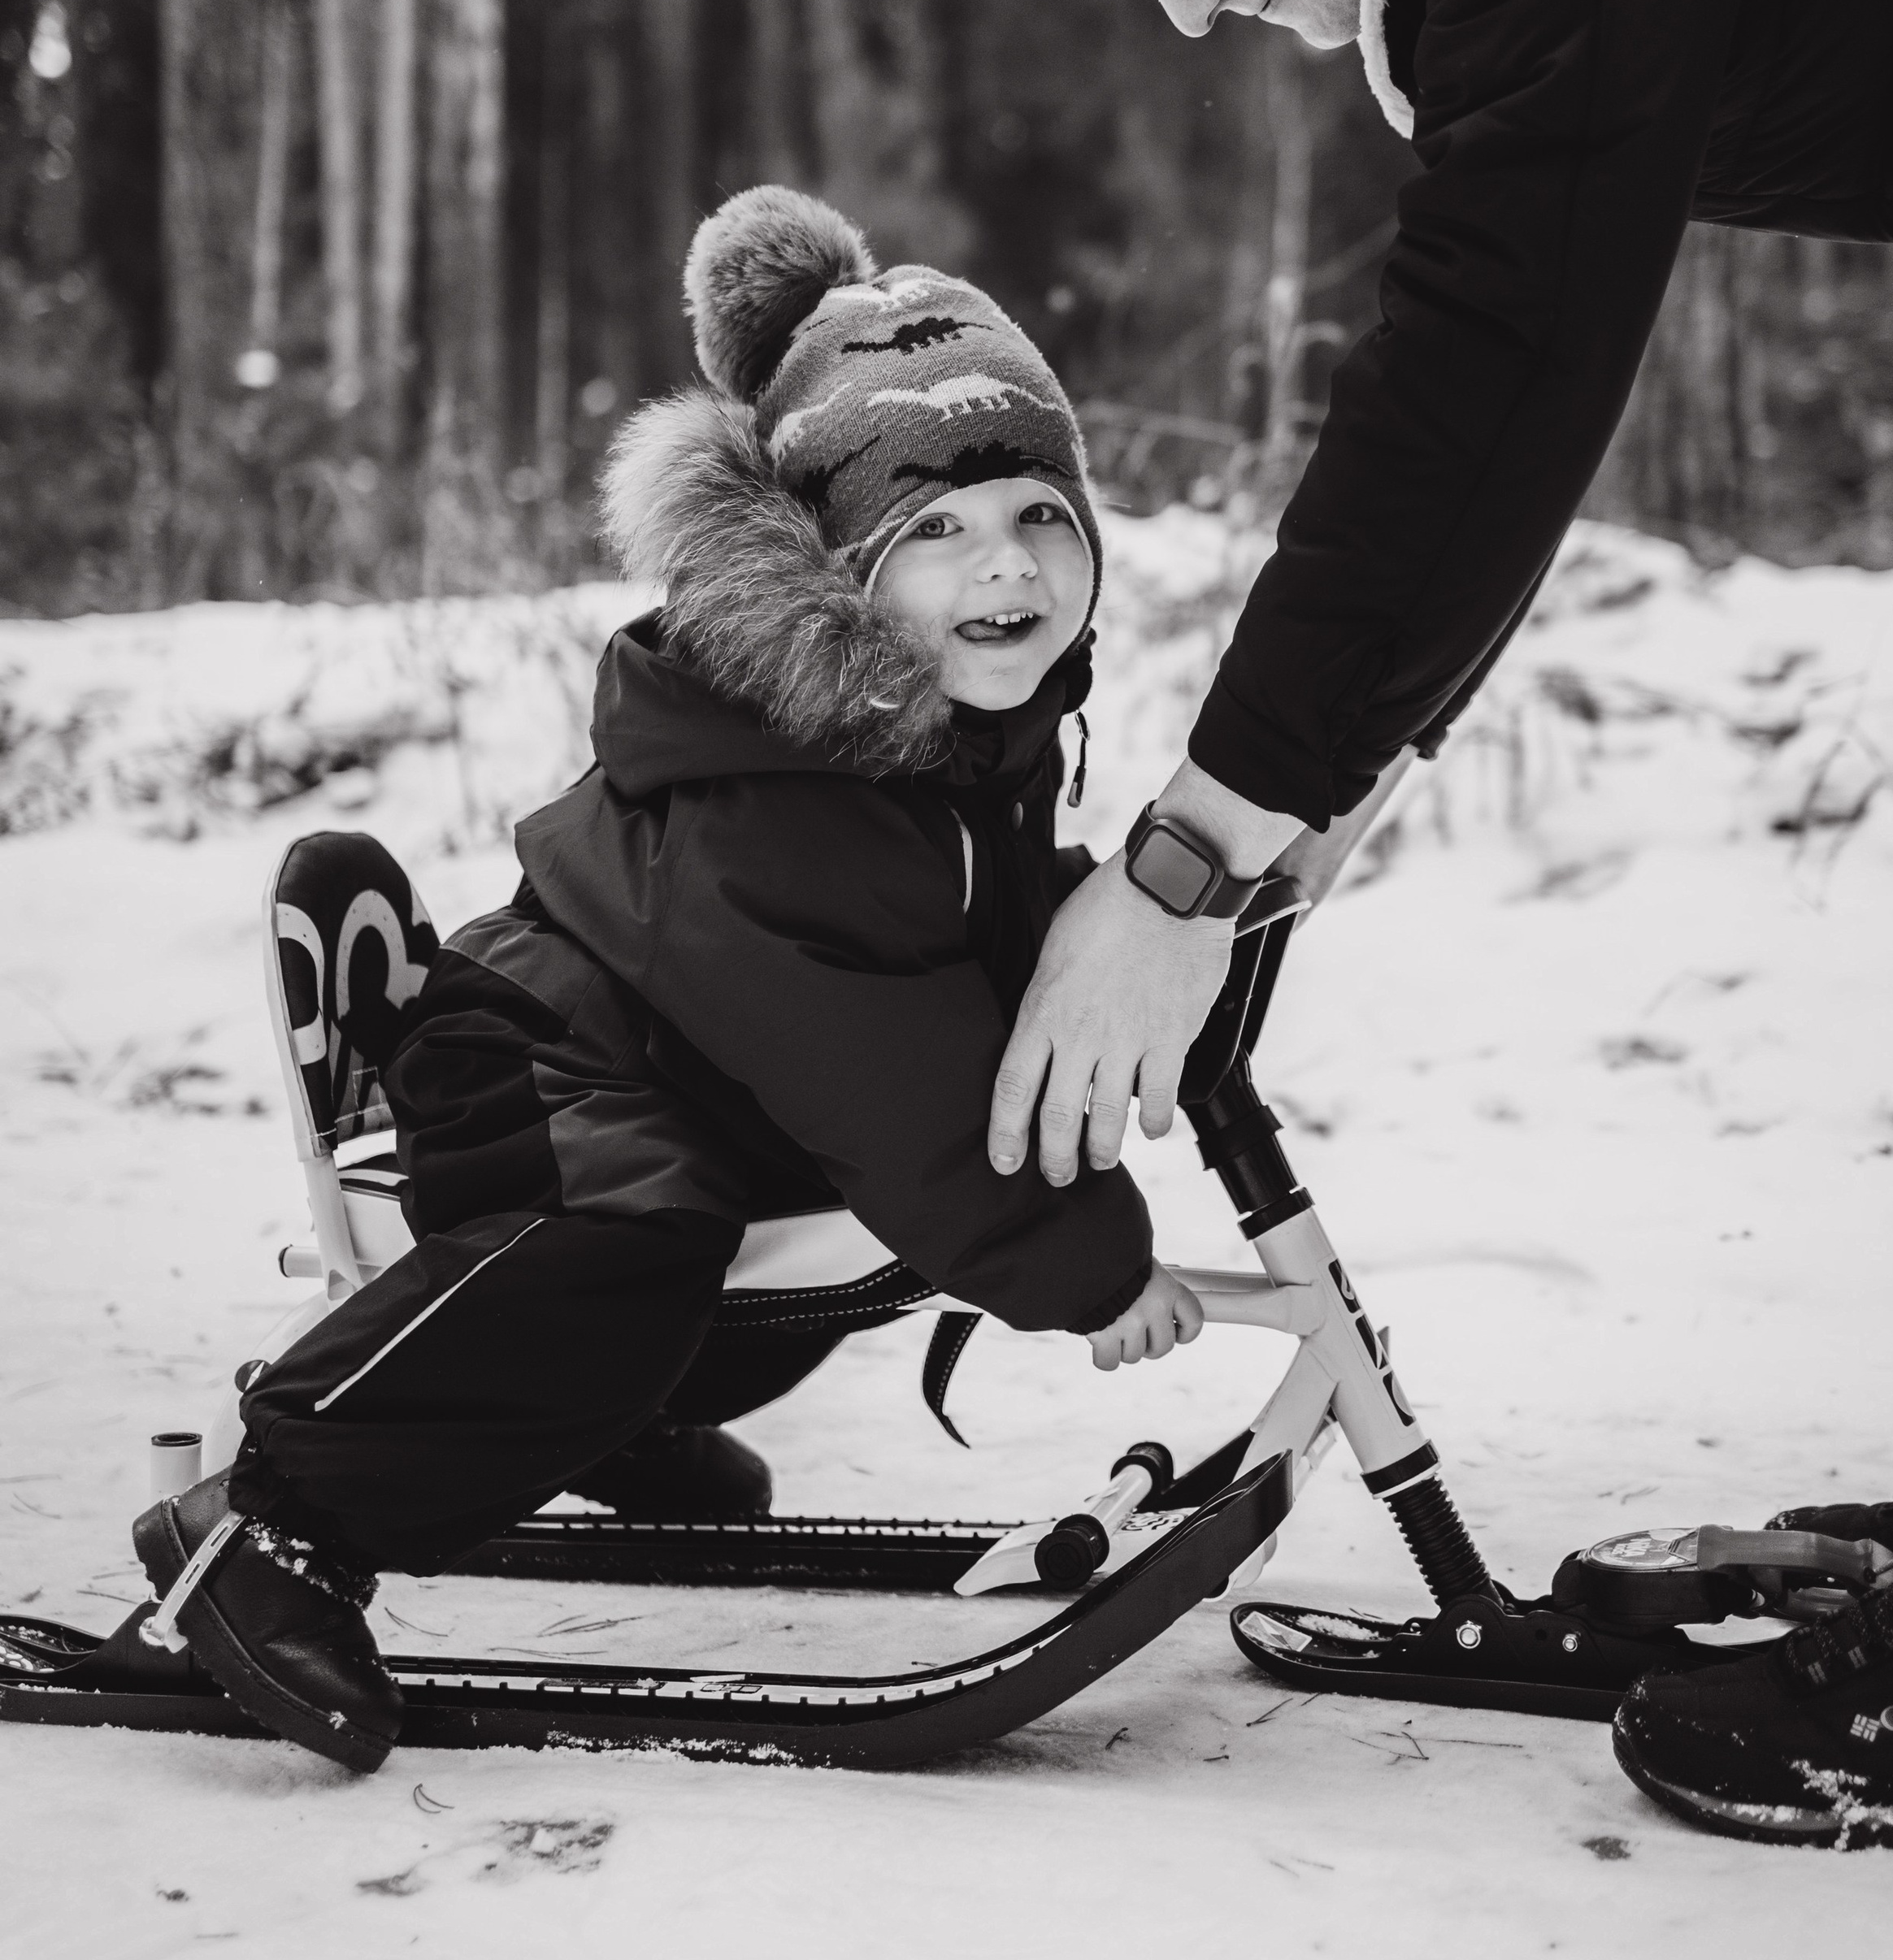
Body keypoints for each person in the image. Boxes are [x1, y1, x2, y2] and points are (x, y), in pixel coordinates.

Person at [967, 0, 1893, 1845]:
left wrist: (1194, 852)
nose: (1186, 13)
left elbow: (1503, 331)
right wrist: (1340, 777)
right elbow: (1536, 331)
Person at [133, 188, 1205, 1773]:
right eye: (936, 531)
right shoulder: (783, 794)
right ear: (832, 568)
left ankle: (608, 1413)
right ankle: (276, 1520)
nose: (1008, 567)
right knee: (627, 1242)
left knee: (764, 1244)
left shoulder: (950, 728)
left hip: (690, 1067)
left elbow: (954, 930)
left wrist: (1140, 924)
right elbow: (887, 1081)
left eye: (1041, 515)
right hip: (543, 1059)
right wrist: (1082, 1262)